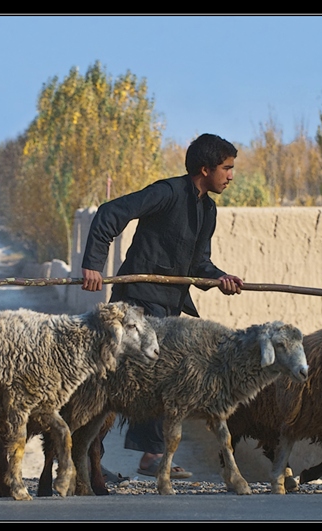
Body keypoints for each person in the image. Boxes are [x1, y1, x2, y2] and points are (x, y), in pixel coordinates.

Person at [80, 133, 243, 478]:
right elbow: (111, 213)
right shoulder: (166, 193)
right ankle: (87, 456)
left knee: (159, 381)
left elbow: (199, 264)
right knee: (112, 383)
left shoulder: (207, 209)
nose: (231, 175)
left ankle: (151, 457)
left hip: (166, 312)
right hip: (134, 306)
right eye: (227, 168)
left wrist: (221, 279)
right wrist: (93, 265)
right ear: (205, 168)